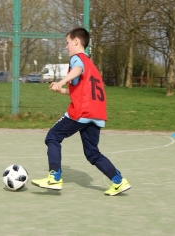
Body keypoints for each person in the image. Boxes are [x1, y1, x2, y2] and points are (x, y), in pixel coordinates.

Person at [31, 27, 131, 196]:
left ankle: (54, 177)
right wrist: (61, 90)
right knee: (92, 152)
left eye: (67, 42)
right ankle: (118, 181)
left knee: (53, 137)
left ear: (76, 41)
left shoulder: (77, 59)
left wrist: (62, 81)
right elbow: (80, 91)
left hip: (82, 111)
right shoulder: (92, 65)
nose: (66, 46)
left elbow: (77, 70)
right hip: (97, 113)